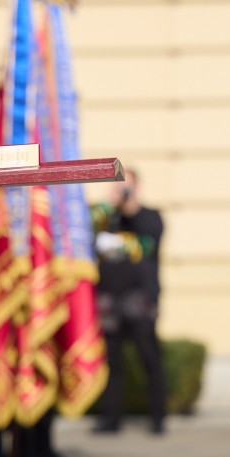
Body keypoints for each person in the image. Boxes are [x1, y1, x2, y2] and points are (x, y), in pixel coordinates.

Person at [91, 168, 167, 434]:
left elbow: (149, 242)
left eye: (126, 187)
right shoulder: (106, 218)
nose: (121, 191)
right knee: (112, 362)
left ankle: (158, 418)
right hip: (109, 298)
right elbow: (89, 232)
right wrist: (109, 208)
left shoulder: (149, 217)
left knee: (149, 358)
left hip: (140, 298)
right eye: (117, 186)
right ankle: (111, 419)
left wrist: (129, 207)